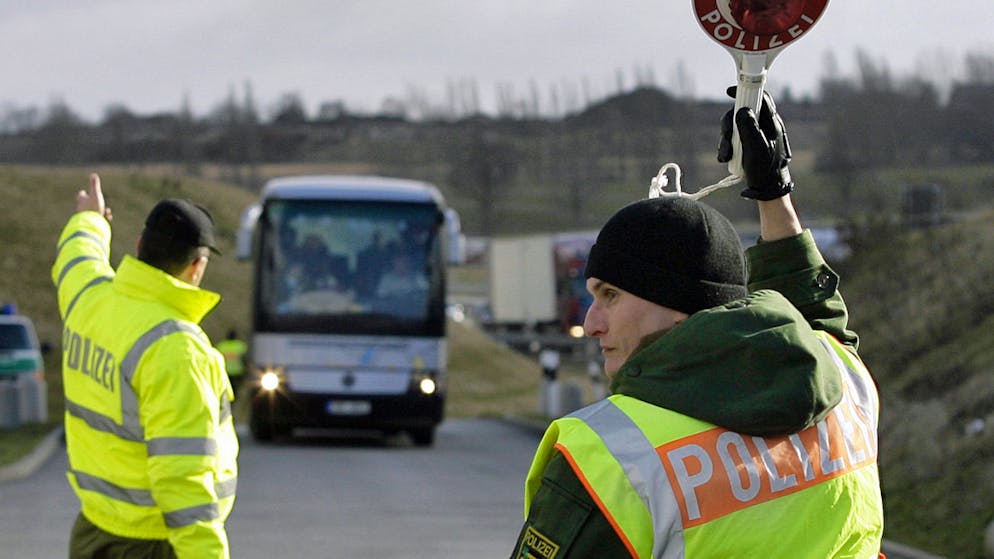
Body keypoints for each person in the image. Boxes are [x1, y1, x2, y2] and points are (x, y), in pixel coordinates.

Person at [510, 92, 884, 558]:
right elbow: (817, 313)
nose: (591, 324)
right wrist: (775, 192)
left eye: (610, 295)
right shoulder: (841, 383)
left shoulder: (610, 456)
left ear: (677, 307)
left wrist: (774, 193)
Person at [52, 174, 239, 559]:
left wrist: (91, 220)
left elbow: (77, 258)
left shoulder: (90, 300)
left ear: (139, 245)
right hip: (153, 544)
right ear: (197, 267)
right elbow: (182, 480)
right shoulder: (178, 349)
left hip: (94, 531)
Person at [216, 329, 248, 397]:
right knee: (235, 390)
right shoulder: (240, 346)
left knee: (225, 390)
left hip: (225, 372)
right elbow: (245, 360)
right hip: (237, 372)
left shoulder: (222, 346)